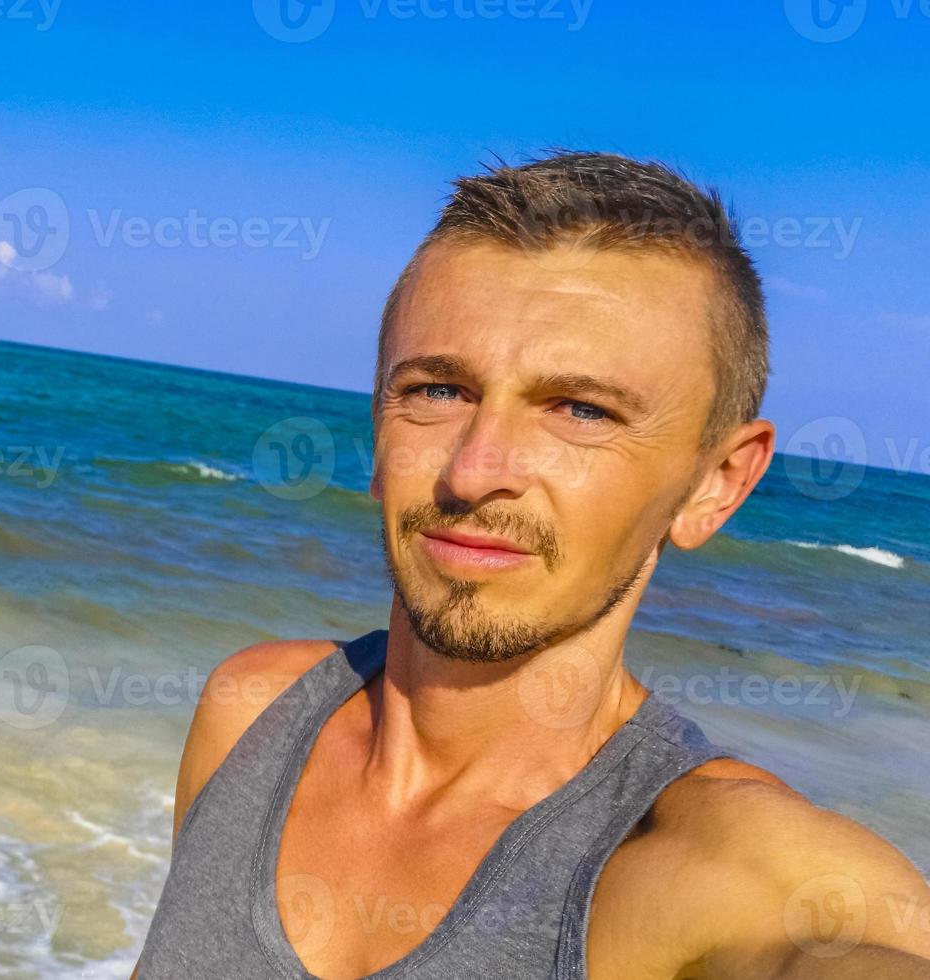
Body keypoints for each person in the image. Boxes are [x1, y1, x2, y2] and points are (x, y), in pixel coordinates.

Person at [131, 152, 930, 978]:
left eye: (581, 410)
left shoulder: (702, 865)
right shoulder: (253, 711)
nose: (475, 471)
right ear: (378, 428)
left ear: (715, 485)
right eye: (440, 391)